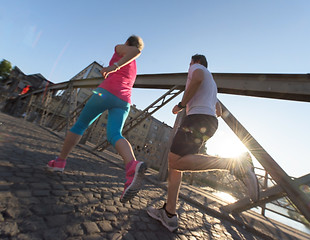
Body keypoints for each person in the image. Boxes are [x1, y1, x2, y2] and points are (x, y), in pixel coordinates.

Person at [147, 54, 259, 232]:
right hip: (209, 122)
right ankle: (169, 214)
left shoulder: (197, 69)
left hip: (196, 119)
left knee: (175, 161)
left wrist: (182, 105)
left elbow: (197, 79)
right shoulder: (212, 83)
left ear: (195, 62)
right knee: (177, 165)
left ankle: (234, 164)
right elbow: (219, 111)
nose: (188, 66)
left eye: (190, 63)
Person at [47, 35, 147, 203]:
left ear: (127, 43)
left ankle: (60, 162)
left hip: (105, 93)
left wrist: (113, 66)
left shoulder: (120, 48)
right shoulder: (134, 65)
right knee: (115, 134)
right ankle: (132, 167)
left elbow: (136, 50)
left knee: (81, 124)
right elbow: (136, 52)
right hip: (124, 101)